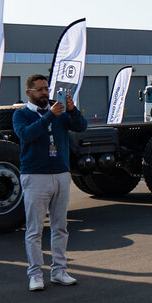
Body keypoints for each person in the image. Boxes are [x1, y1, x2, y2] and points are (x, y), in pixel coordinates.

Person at [12, 73, 88, 291]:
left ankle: (59, 271)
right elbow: (26, 135)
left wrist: (71, 110)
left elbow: (81, 127)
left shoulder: (60, 112)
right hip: (35, 176)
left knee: (60, 227)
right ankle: (35, 273)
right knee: (35, 229)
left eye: (47, 89)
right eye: (40, 90)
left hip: (61, 174)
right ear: (29, 92)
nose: (45, 93)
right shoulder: (22, 115)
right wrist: (49, 117)